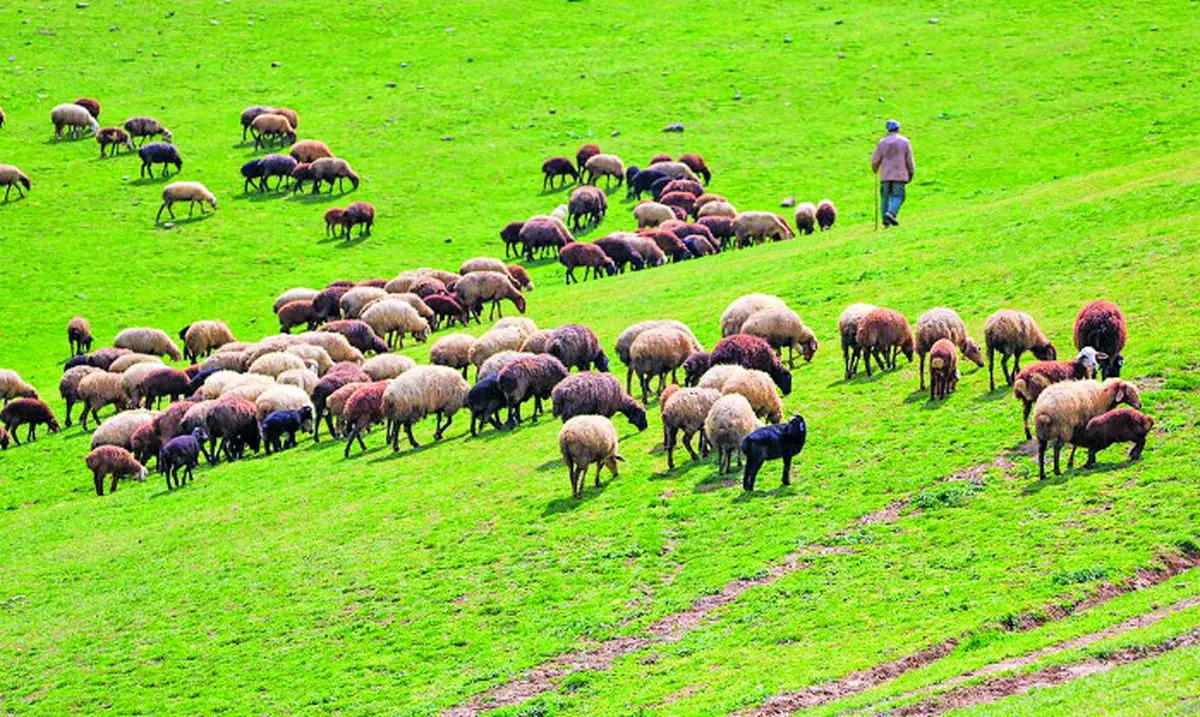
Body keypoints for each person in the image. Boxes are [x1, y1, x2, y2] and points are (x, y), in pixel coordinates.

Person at [871, 119, 914, 228]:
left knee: (885, 198)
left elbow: (875, 160)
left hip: (885, 175)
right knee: (898, 196)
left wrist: (875, 169)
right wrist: (911, 172)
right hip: (899, 175)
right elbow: (909, 160)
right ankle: (891, 213)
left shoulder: (882, 142)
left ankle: (886, 222)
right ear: (898, 128)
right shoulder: (904, 142)